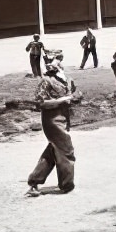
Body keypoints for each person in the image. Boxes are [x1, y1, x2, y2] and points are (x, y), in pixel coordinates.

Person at [26, 52, 83, 196]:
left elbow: (76, 93)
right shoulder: (46, 80)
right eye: (48, 60)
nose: (50, 62)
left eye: (54, 59)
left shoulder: (67, 78)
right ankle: (66, 185)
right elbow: (40, 102)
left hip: (64, 117)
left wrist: (76, 97)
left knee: (53, 150)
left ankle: (34, 181)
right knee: (66, 149)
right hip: (51, 119)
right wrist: (62, 100)